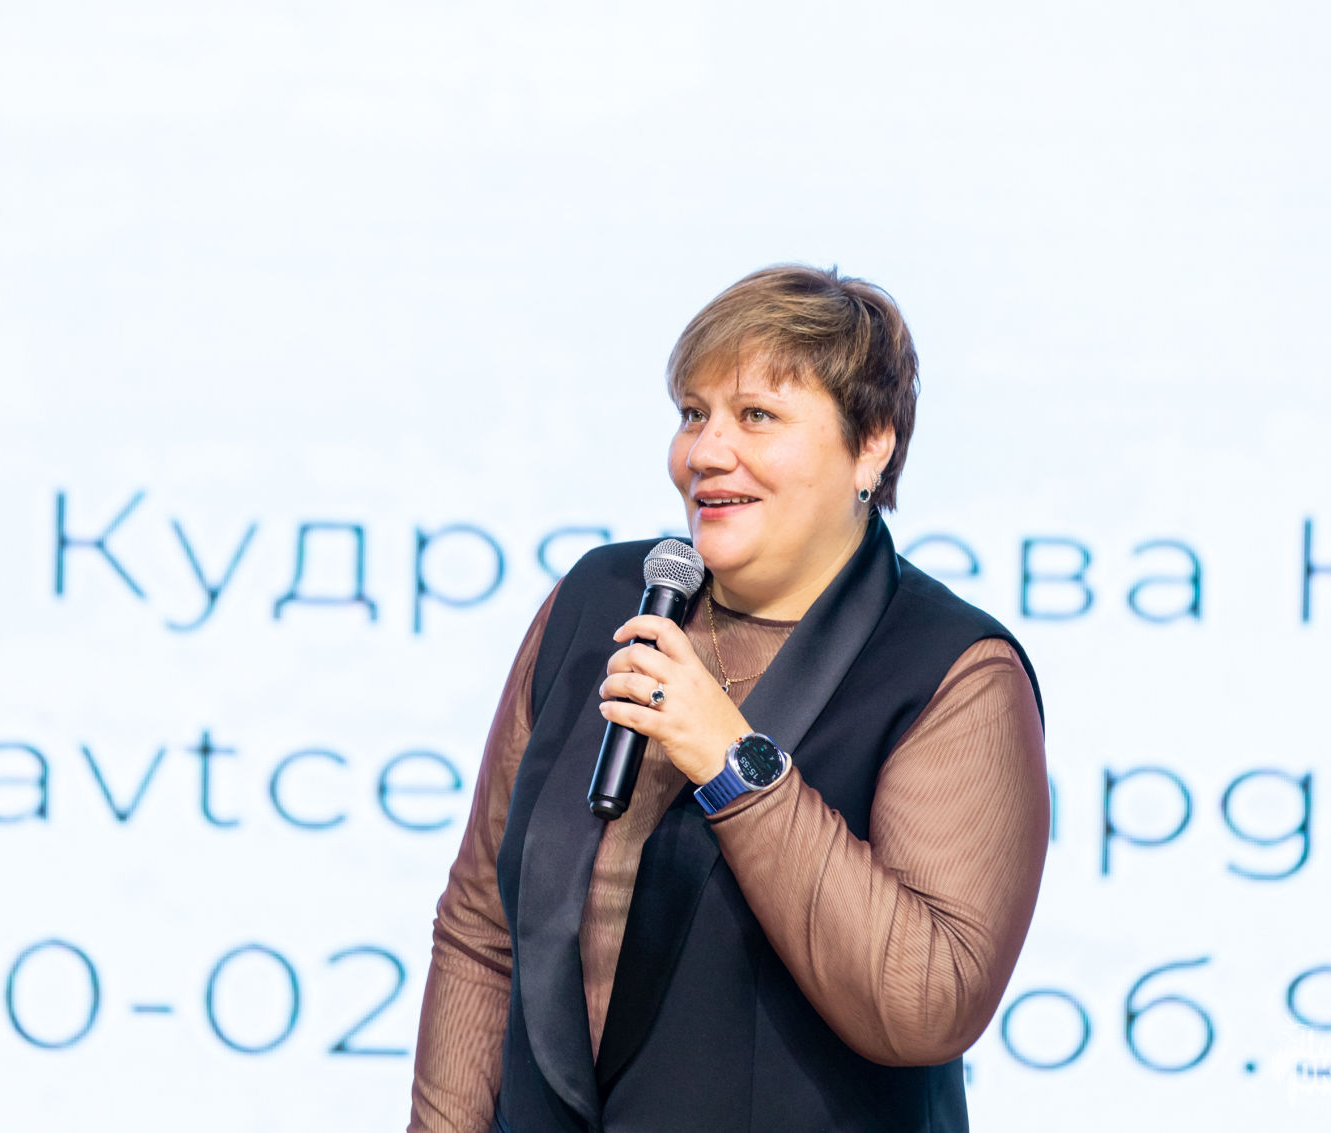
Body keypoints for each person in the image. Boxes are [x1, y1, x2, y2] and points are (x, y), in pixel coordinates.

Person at [409, 264, 1049, 1133]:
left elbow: (926, 1003)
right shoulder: (600, 600)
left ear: (872, 444)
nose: (705, 452)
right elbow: (482, 928)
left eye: (756, 416)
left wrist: (732, 762)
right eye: (693, 413)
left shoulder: (953, 670)